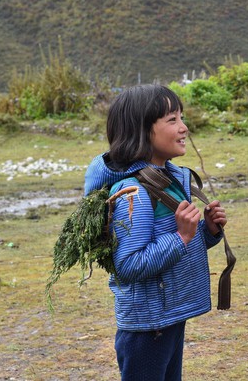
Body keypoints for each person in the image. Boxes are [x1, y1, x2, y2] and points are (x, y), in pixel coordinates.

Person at [84, 84, 227, 380]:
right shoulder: (133, 193)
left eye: (182, 118)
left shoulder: (170, 179)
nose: (184, 127)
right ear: (141, 130)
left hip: (169, 317)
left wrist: (206, 231)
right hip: (147, 326)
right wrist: (181, 237)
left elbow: (175, 243)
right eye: (172, 120)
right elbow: (129, 265)